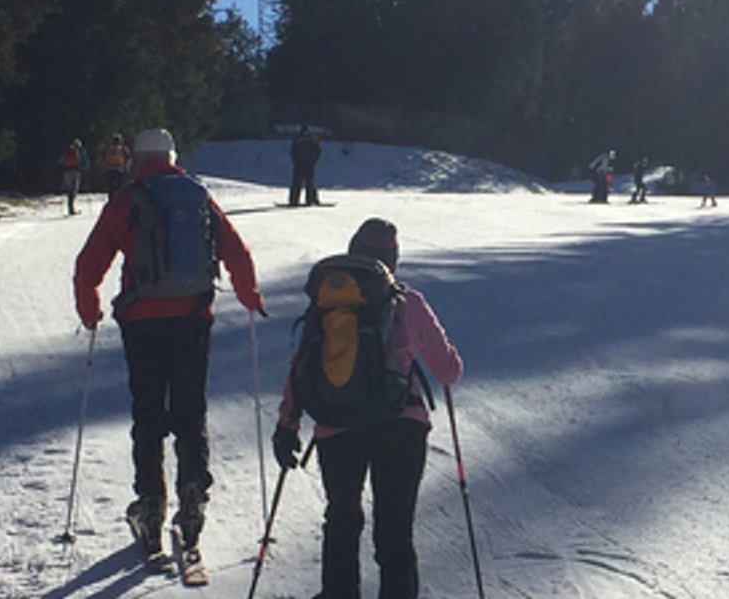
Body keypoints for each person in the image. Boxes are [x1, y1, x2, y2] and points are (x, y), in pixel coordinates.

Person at [72, 128, 264, 568]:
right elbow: (236, 250)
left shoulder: (128, 199)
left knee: (149, 411)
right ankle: (193, 497)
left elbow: (90, 261)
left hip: (142, 322)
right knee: (190, 409)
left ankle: (152, 503)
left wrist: (90, 308)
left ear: (137, 159)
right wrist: (249, 295)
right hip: (193, 317)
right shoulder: (198, 197)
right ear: (173, 155)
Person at [274, 218, 463, 599]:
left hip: (337, 426)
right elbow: (448, 372)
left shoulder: (328, 303)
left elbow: (302, 366)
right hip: (402, 427)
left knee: (342, 518)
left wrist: (287, 425)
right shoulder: (408, 302)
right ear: (392, 260)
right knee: (394, 529)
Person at [288, 124, 324, 207]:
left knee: (296, 183)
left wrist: (295, 160)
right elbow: (318, 151)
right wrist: (314, 161)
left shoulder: (297, 139)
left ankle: (294, 201)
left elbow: (292, 151)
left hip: (299, 164)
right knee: (310, 184)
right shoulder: (313, 139)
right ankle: (310, 200)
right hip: (309, 164)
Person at [99, 133, 131, 198]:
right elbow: (128, 159)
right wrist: (127, 169)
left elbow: (103, 158)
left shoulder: (109, 149)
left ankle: (110, 199)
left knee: (110, 187)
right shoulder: (123, 149)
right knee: (119, 187)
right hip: (119, 169)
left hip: (109, 169)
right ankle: (118, 201)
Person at [59, 138, 85, 215]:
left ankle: (70, 208)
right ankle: (72, 209)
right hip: (76, 171)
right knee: (74, 190)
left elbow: (61, 160)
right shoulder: (79, 151)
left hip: (67, 171)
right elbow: (83, 161)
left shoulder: (67, 151)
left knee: (69, 190)